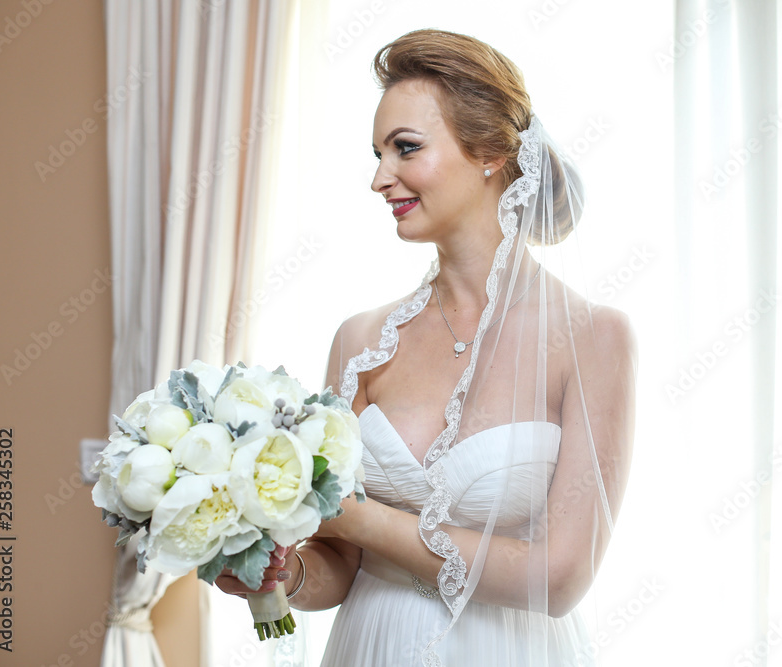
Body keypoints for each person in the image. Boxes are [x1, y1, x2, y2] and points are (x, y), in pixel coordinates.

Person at [217, 28, 637, 666]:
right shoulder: (360, 342)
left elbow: (558, 579)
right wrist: (285, 575)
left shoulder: (594, 338)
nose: (380, 178)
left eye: (405, 148)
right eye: (379, 153)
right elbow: (342, 565)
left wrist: (358, 518)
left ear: (491, 152)